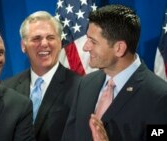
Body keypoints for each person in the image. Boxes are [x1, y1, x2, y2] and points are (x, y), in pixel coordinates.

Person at [62, 4, 167, 141]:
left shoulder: (159, 97)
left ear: (119, 48)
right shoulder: (86, 83)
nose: (85, 47)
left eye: (93, 41)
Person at [2, 11, 84, 141]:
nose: (45, 44)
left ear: (60, 42)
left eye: (51, 37)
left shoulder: (81, 87)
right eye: (36, 38)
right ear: (23, 46)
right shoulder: (6, 88)